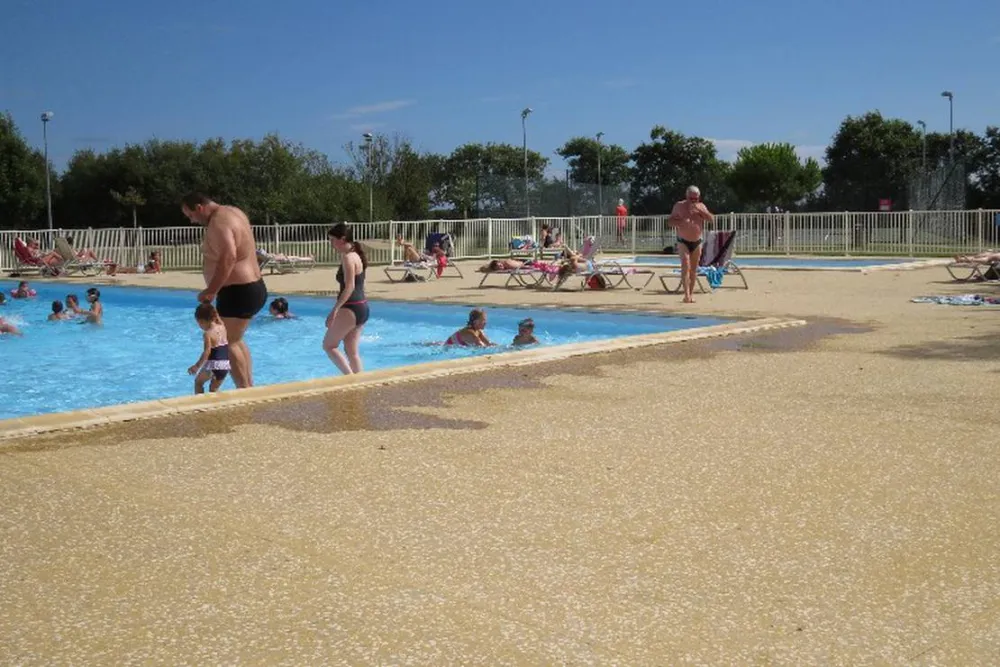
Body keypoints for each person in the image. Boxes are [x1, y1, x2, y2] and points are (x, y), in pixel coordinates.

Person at [181, 192, 268, 389]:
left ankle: (244, 392)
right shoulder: (234, 212)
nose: (192, 221)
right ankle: (248, 387)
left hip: (238, 290)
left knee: (226, 343)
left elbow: (229, 256)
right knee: (235, 340)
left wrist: (212, 290)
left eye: (190, 215)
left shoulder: (219, 222)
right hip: (251, 287)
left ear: (199, 207)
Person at [323, 223, 368, 375]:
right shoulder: (356, 255)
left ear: (342, 239)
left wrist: (334, 311)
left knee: (329, 346)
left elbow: (350, 287)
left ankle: (350, 380)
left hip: (351, 306)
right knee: (352, 352)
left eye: (332, 240)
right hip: (362, 307)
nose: (331, 244)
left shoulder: (349, 258)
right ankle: (360, 383)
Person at [668, 185, 714, 303]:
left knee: (693, 269)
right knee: (685, 265)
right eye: (691, 199)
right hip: (683, 240)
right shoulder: (679, 206)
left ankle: (691, 294)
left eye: (696, 199)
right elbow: (670, 221)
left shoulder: (701, 206)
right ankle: (686, 295)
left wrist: (701, 211)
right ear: (687, 196)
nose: (693, 201)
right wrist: (681, 221)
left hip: (697, 241)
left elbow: (711, 219)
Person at [187, 303, 230, 394]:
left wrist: (197, 366)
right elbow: (216, 316)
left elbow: (207, 352)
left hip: (213, 365)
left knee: (198, 383)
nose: (200, 326)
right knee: (213, 390)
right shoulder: (222, 326)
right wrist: (209, 304)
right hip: (225, 364)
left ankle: (200, 403)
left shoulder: (208, 334)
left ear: (201, 321)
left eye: (199, 323)